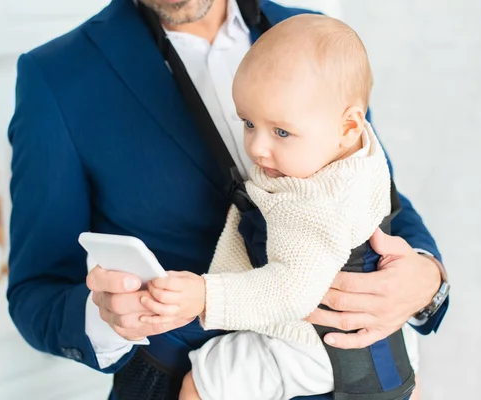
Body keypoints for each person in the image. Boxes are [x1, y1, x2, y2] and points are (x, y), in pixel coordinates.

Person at [7, 0, 449, 398]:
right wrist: (106, 317)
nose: (258, 146)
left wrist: (426, 279)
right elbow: (35, 291)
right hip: (187, 380)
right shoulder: (55, 77)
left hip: (358, 373)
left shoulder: (312, 35)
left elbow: (371, 189)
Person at [138, 14, 420, 400]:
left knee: (203, 383)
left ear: (349, 127)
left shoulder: (320, 203)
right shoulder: (349, 152)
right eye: (248, 124)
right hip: (377, 338)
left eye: (281, 132)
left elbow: (291, 292)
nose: (256, 147)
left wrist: (207, 296)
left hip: (317, 344)